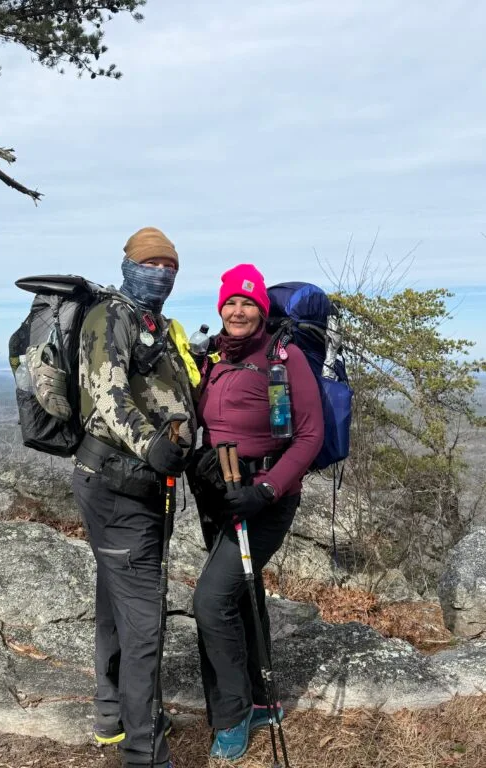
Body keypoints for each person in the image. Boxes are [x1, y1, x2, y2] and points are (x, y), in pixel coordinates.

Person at [72, 226, 198, 768]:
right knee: (145, 620)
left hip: (137, 485)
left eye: (171, 266)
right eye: (151, 264)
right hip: (119, 483)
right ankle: (144, 753)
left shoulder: (158, 327)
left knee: (116, 601)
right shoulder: (111, 317)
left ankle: (113, 716)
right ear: (128, 265)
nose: (162, 274)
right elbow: (108, 392)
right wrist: (152, 447)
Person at [189, 263, 324, 761]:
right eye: (231, 302)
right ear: (220, 308)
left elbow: (311, 435)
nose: (238, 310)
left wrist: (265, 489)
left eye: (248, 303)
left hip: (264, 499)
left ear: (261, 311)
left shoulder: (283, 358)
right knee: (242, 596)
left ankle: (232, 715)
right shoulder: (214, 359)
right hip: (218, 492)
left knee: (210, 601)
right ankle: (264, 700)